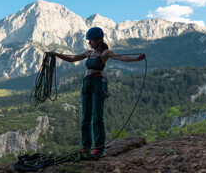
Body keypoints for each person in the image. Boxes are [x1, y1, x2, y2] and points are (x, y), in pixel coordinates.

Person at [50, 27, 145, 158]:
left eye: (91, 40)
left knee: (97, 117)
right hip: (87, 84)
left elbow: (121, 57)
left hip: (98, 84)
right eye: (89, 41)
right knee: (85, 118)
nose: (89, 43)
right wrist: (55, 54)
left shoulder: (106, 53)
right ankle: (86, 148)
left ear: (99, 40)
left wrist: (136, 59)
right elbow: (72, 59)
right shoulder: (89, 52)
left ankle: (100, 149)